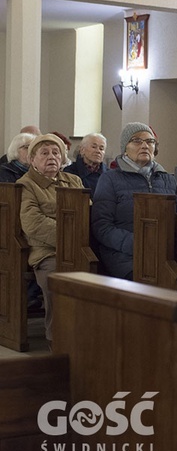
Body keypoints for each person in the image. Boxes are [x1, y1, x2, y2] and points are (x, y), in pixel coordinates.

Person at [91, 122, 177, 280]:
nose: (145, 145)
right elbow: (102, 227)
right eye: (137, 141)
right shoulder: (110, 179)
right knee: (151, 283)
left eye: (150, 141)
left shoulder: (169, 179)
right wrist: (138, 244)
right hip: (125, 256)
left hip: (166, 255)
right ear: (125, 148)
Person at [17, 133, 84, 344]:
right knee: (57, 281)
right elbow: (33, 223)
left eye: (56, 152)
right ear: (32, 159)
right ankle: (57, 340)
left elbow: (87, 212)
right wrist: (69, 236)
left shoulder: (73, 180)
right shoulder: (26, 184)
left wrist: (76, 239)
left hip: (79, 248)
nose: (51, 157)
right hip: (47, 251)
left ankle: (86, 338)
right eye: (44, 153)